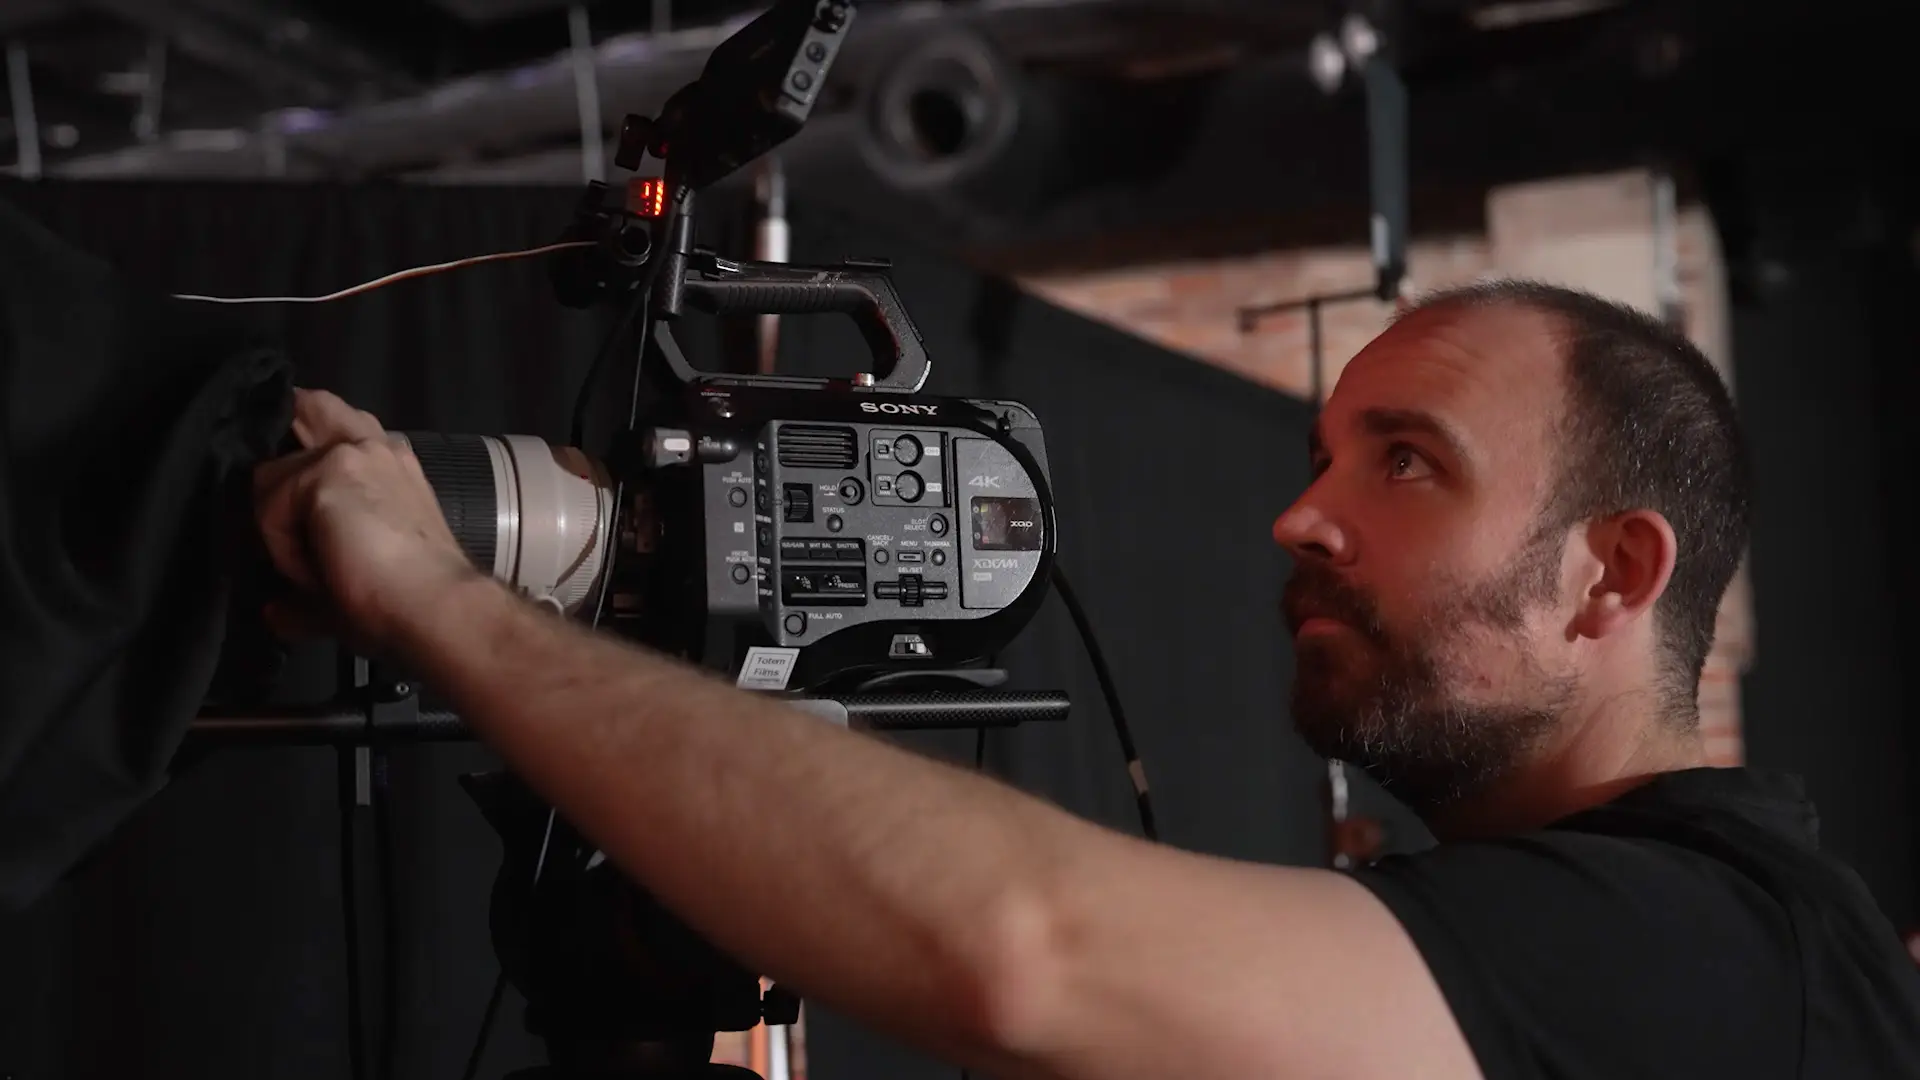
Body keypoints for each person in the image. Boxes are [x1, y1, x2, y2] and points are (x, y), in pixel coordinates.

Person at [252, 279, 1920, 1079]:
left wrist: (429, 594)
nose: (1301, 514)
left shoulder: (1699, 948)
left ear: (1611, 576)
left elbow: (1022, 951)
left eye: (1407, 464)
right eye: (1323, 450)